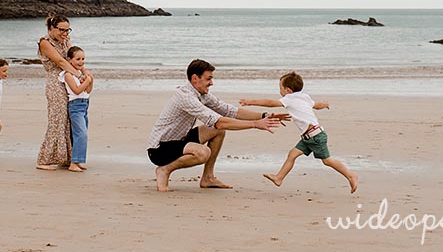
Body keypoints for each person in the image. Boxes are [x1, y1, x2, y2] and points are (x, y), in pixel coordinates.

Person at [146, 59, 288, 192]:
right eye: (208, 79)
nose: (211, 83)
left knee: (217, 131)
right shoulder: (186, 97)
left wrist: (263, 116)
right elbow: (219, 121)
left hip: (180, 140)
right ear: (195, 78)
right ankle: (164, 170)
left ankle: (208, 178)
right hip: (160, 148)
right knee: (203, 152)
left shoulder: (201, 94)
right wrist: (255, 124)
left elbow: (228, 111)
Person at [240, 71, 358, 194]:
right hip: (308, 137)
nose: (280, 91)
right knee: (292, 154)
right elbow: (317, 105)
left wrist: (250, 102)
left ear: (288, 90)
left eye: (280, 88)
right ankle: (279, 178)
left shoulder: (289, 99)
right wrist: (325, 104)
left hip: (315, 136)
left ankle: (351, 175)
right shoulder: (304, 97)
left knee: (327, 160)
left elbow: (270, 103)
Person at [36, 14, 83, 170]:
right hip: (55, 84)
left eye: (67, 30)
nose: (65, 33)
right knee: (57, 118)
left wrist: (83, 73)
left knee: (68, 119)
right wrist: (79, 75)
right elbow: (61, 61)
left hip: (68, 82)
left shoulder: (65, 41)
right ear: (51, 28)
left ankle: (66, 157)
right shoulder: (45, 42)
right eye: (62, 30)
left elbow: (73, 58)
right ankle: (44, 159)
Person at [59, 46, 94, 173]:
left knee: (80, 134)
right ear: (69, 60)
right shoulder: (68, 75)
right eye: (78, 59)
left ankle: (78, 160)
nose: (81, 62)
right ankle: (74, 163)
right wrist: (87, 80)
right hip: (76, 106)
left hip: (85, 105)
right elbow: (77, 90)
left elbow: (88, 90)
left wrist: (91, 79)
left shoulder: (79, 74)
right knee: (81, 134)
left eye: (83, 59)